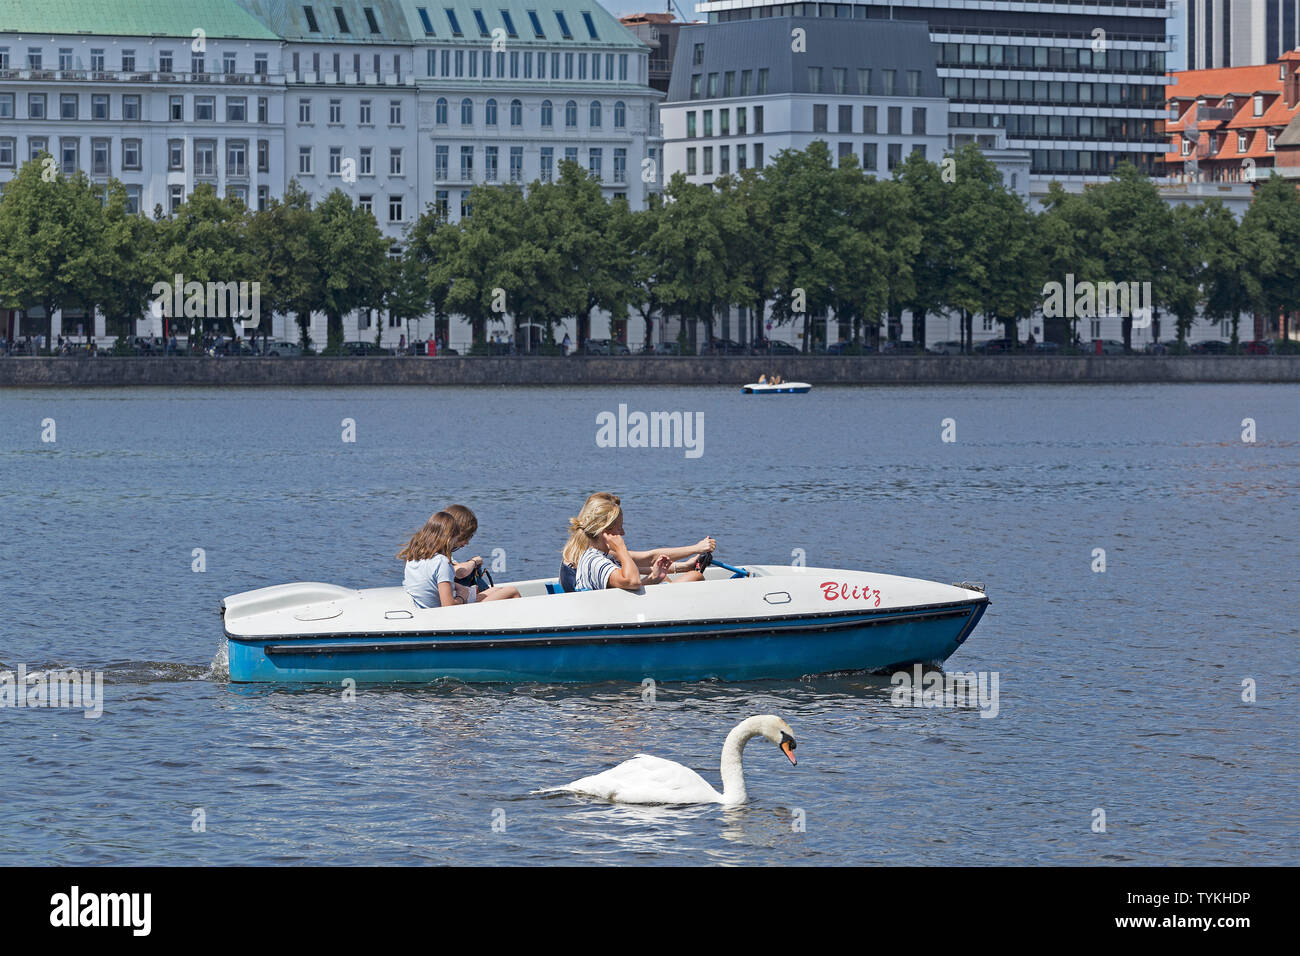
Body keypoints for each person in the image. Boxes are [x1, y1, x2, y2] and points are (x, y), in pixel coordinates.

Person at [560, 493, 710, 593]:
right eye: (619, 529)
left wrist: (654, 577)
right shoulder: (596, 560)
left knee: (680, 576)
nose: (623, 533)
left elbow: (632, 579)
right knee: (694, 577)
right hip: (619, 614)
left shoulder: (594, 555)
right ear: (605, 532)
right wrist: (621, 548)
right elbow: (632, 580)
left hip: (618, 607)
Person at [444, 503, 519, 602]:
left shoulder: (436, 552)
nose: (467, 542)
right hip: (457, 602)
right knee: (512, 591)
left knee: (496, 590)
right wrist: (474, 561)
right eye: (466, 537)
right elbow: (460, 572)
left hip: (457, 597)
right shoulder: (440, 556)